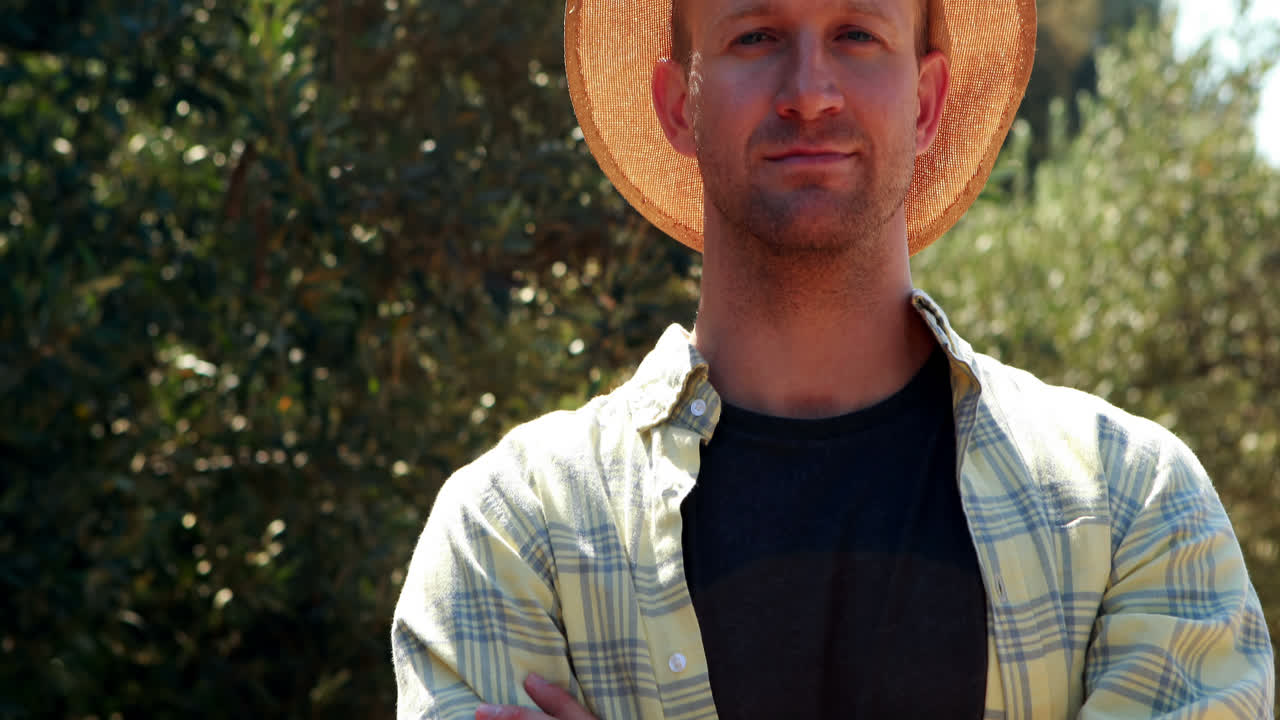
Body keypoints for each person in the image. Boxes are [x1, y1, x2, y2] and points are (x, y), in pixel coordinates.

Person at [392, 0, 1276, 716]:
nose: (810, 91)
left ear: (927, 102)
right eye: (756, 36)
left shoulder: (1134, 507)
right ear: (677, 105)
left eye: (856, 34)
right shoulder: (513, 534)